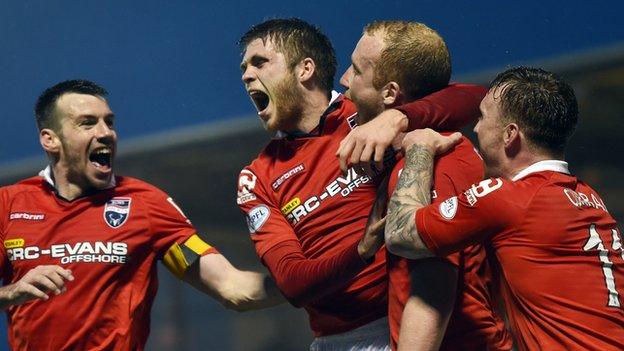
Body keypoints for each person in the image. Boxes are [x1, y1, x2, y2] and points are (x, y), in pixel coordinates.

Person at [236, 18, 485, 350]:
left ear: (305, 69)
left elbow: (476, 99)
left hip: (416, 316)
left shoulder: (369, 107)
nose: (246, 75)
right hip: (338, 339)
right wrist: (362, 249)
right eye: (244, 67)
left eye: (259, 62)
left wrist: (397, 117)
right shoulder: (257, 176)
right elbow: (292, 282)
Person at [0, 80, 283, 350]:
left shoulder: (146, 204)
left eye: (109, 122)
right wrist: (12, 293)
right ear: (50, 139)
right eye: (87, 123)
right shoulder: (9, 205)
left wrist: (307, 280)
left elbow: (232, 287)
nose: (105, 132)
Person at [385, 67, 624, 350]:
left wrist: (419, 150)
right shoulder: (588, 196)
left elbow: (401, 233)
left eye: (483, 117)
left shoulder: (511, 198)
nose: (475, 128)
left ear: (510, 134)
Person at [339, 20, 512, 351]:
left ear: (390, 92)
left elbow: (434, 285)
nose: (345, 79)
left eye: (357, 71)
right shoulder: (419, 153)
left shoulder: (436, 161)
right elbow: (471, 94)